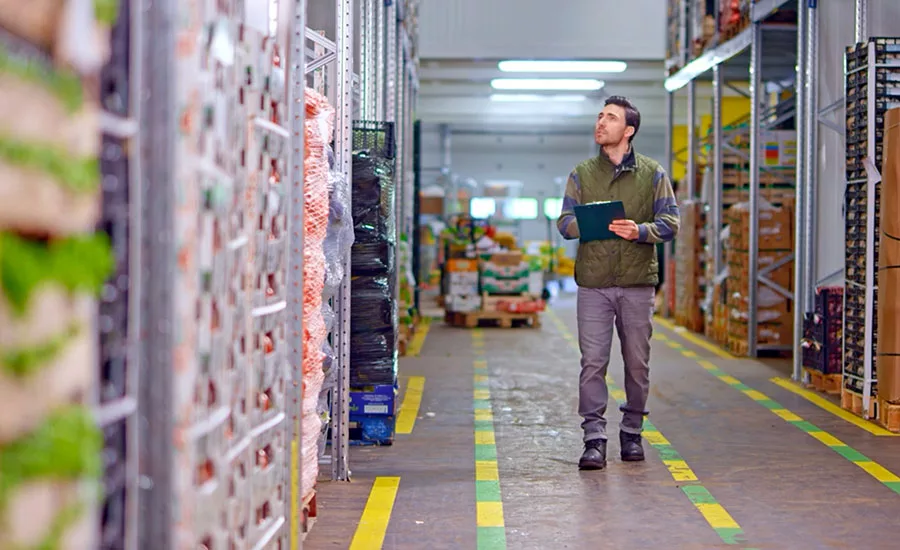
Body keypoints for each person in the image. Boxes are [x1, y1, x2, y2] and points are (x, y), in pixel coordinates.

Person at [556, 96, 680, 470]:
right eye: (600, 116)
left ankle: (632, 432)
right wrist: (591, 225)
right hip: (593, 284)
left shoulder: (653, 174)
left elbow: (671, 222)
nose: (601, 123)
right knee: (592, 363)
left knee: (637, 364)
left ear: (628, 131)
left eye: (610, 118)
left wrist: (640, 231)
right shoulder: (581, 174)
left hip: (637, 284)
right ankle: (594, 438)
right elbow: (564, 223)